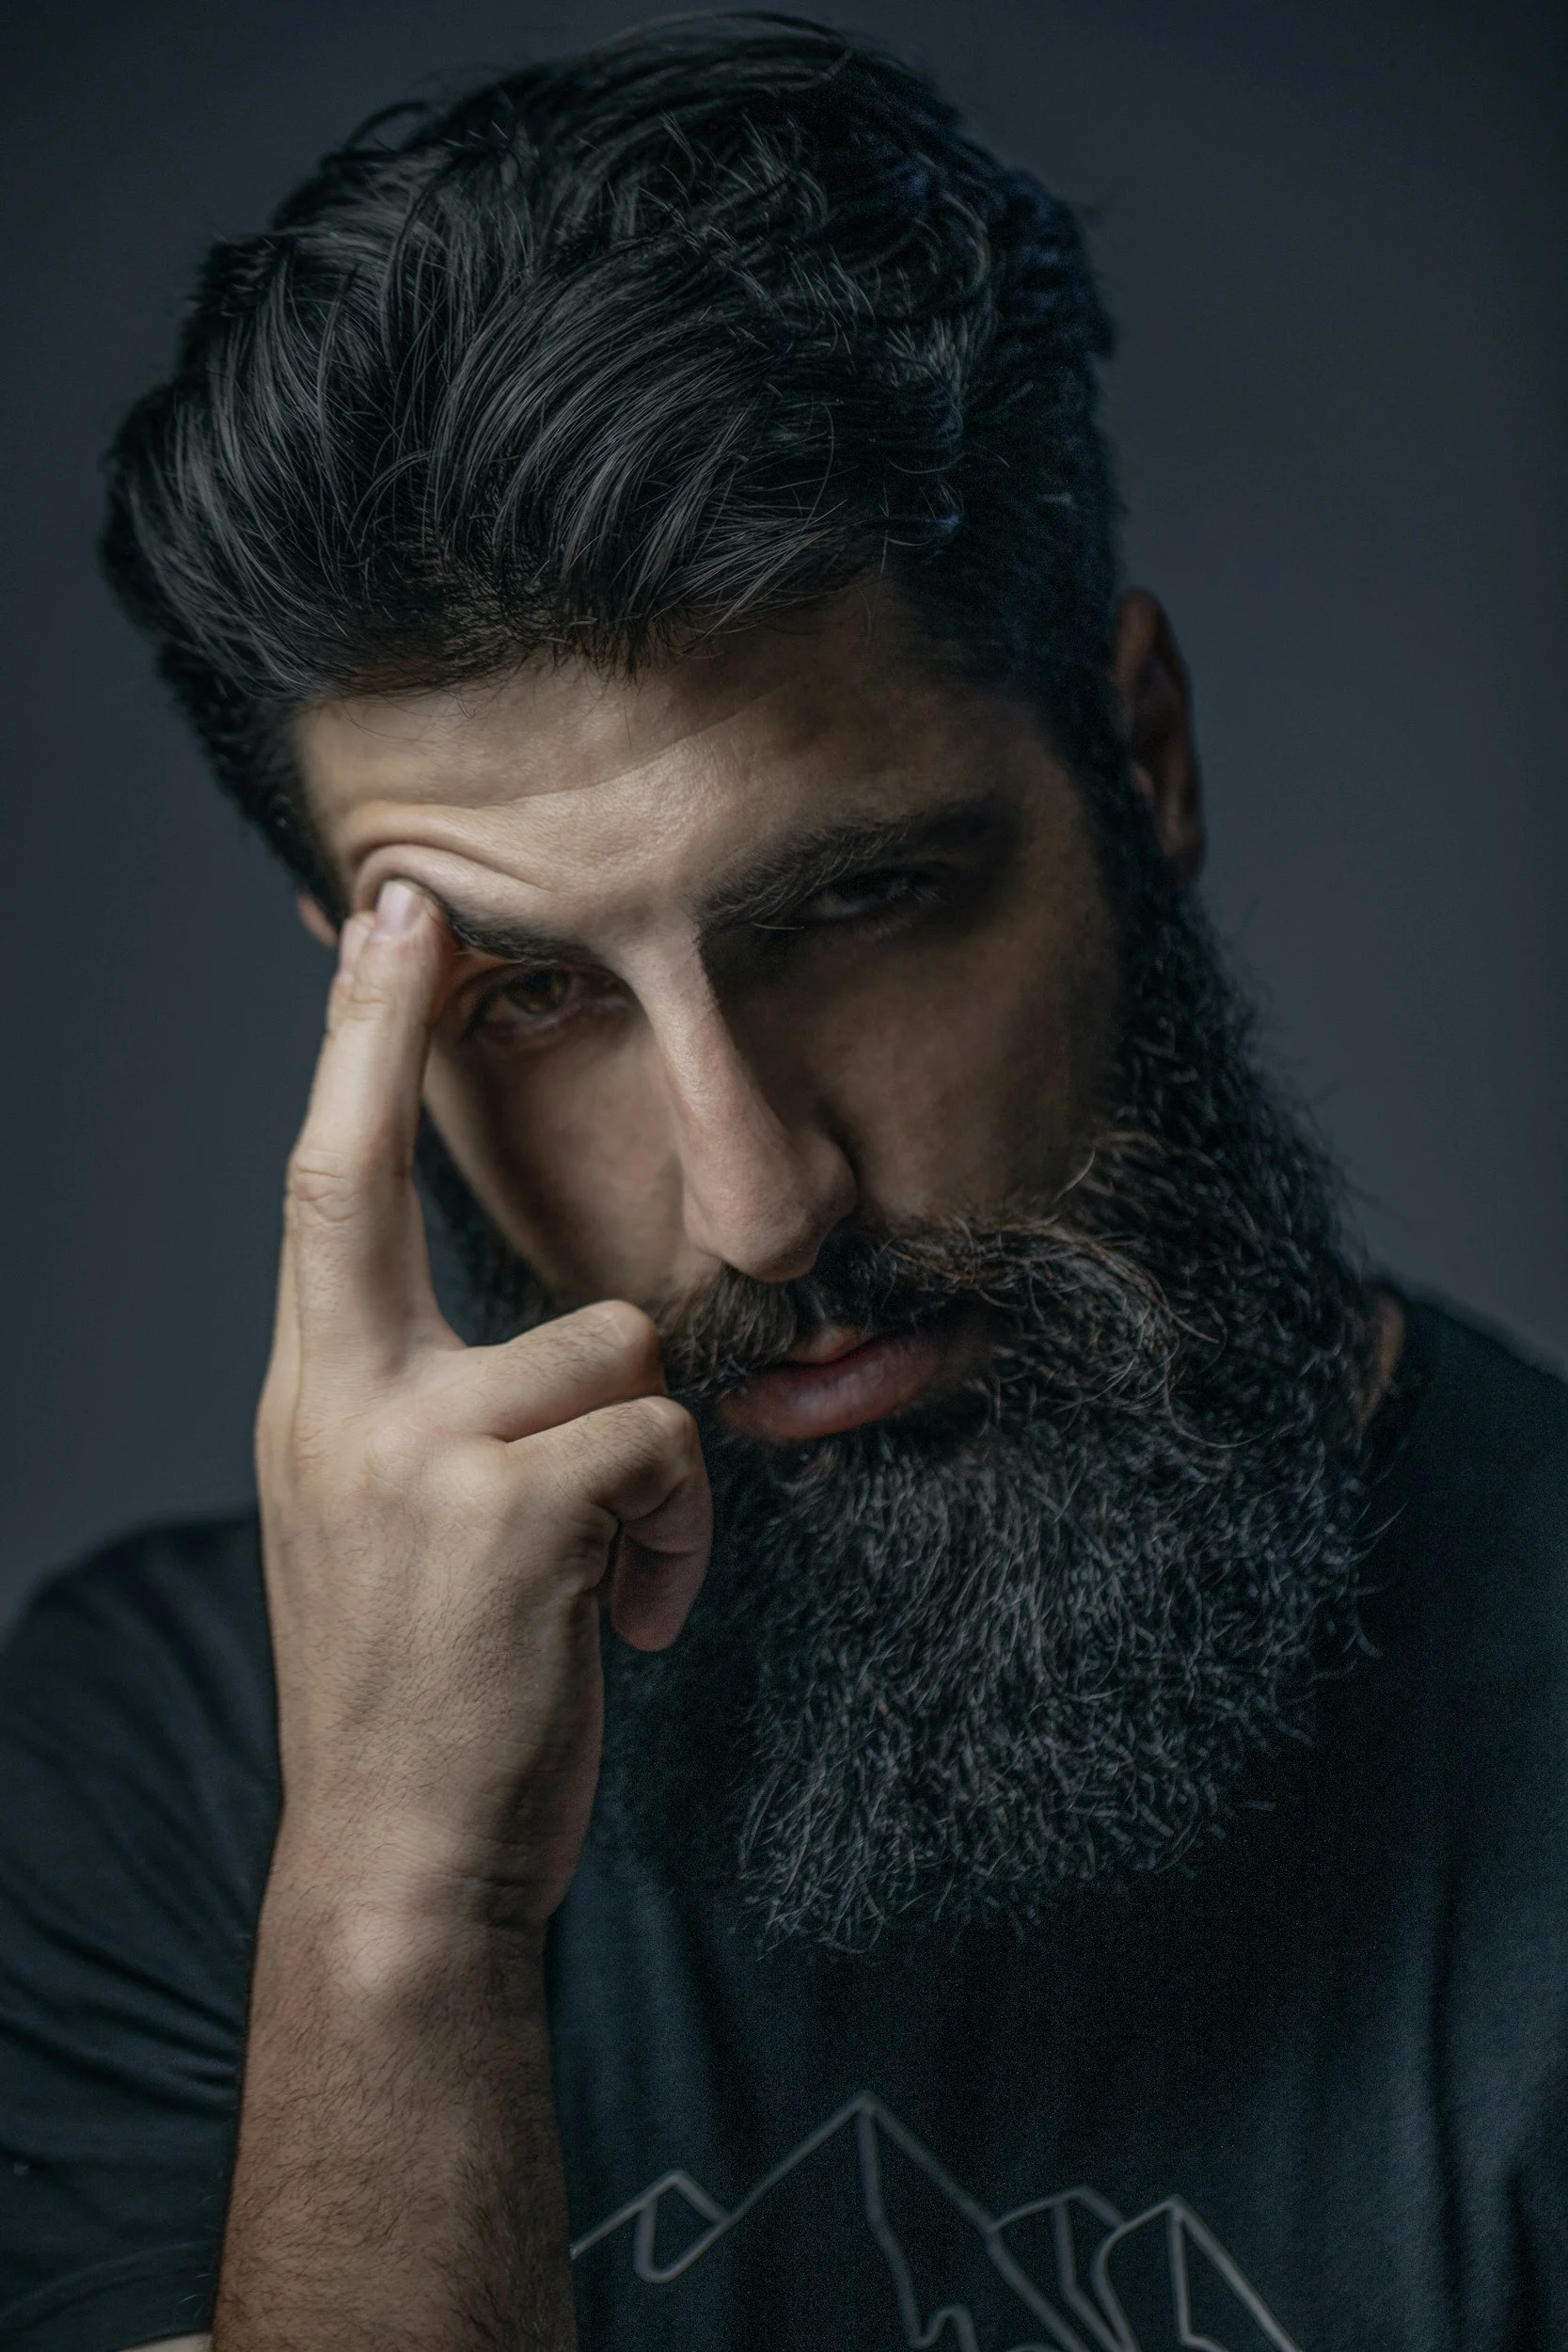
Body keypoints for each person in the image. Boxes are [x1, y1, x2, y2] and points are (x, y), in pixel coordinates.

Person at [0, 14, 1562, 2350]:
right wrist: (399, 1918)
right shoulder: (164, 1767)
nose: (755, 1199)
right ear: (372, 1029)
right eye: (529, 995)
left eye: (851, 907)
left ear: (1136, 759)